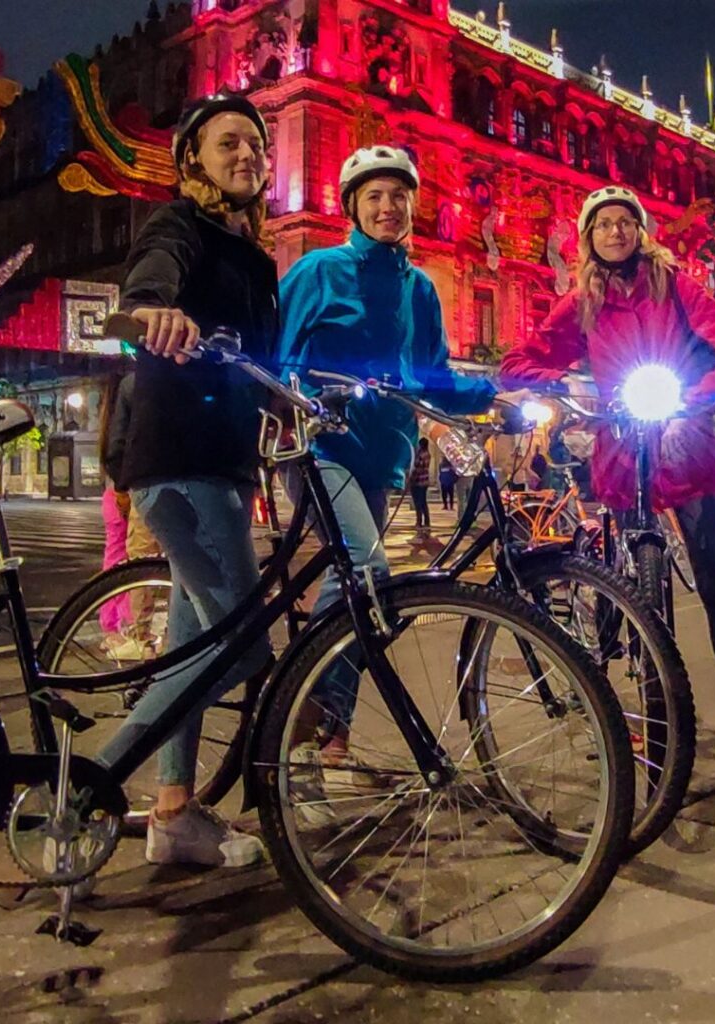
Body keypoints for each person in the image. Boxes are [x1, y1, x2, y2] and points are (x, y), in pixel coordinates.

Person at [501, 184, 715, 786]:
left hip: (685, 450)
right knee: (630, 598)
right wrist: (577, 390)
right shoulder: (582, 301)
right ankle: (635, 714)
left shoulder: (678, 286)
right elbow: (518, 362)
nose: (616, 232)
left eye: (626, 223)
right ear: (588, 238)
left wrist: (688, 397)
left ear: (642, 232)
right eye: (603, 224)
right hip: (621, 458)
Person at [276, 144, 522, 800]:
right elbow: (275, 358)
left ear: (414, 205)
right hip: (322, 451)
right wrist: (297, 400)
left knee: (361, 596)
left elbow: (429, 378)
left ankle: (330, 742)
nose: (388, 207)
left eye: (399, 196)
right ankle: (301, 718)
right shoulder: (319, 270)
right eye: (374, 196)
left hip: (385, 457)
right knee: (367, 574)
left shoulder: (420, 288)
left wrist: (494, 394)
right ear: (352, 206)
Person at [98, 92, 280, 866]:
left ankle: (174, 811)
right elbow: (151, 277)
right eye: (227, 142)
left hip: (228, 463)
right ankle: (93, 782)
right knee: (242, 647)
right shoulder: (181, 226)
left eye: (256, 144)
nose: (245, 154)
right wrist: (150, 310)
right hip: (178, 459)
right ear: (193, 161)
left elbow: (265, 365)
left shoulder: (257, 256)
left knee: (191, 639)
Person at [97, 367, 162, 659]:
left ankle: (139, 635)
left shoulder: (133, 383)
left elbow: (117, 445)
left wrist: (124, 485)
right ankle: (183, 636)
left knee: (141, 561)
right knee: (187, 562)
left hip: (144, 483)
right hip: (193, 478)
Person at [409, 436, 432, 532]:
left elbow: (417, 467)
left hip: (418, 481)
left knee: (418, 503)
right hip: (425, 481)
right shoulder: (428, 454)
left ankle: (419, 522)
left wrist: (411, 478)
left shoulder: (421, 455)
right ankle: (426, 521)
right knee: (423, 502)